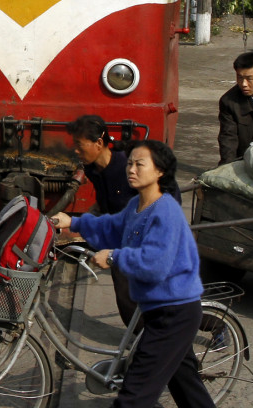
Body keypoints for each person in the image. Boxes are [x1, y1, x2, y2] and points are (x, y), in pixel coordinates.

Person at [52, 140, 233, 408]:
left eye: (140, 165)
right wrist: (72, 222)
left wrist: (115, 257)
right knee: (184, 381)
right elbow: (110, 227)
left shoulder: (165, 212)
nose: (131, 170)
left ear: (160, 172)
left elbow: (155, 264)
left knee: (138, 387)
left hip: (175, 312)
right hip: (159, 308)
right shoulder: (139, 205)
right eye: (131, 164)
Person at [67, 115, 182, 326]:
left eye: (79, 145)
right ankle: (139, 340)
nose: (76, 150)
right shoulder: (93, 169)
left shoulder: (127, 167)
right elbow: (106, 202)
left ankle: (215, 324)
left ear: (99, 143)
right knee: (125, 292)